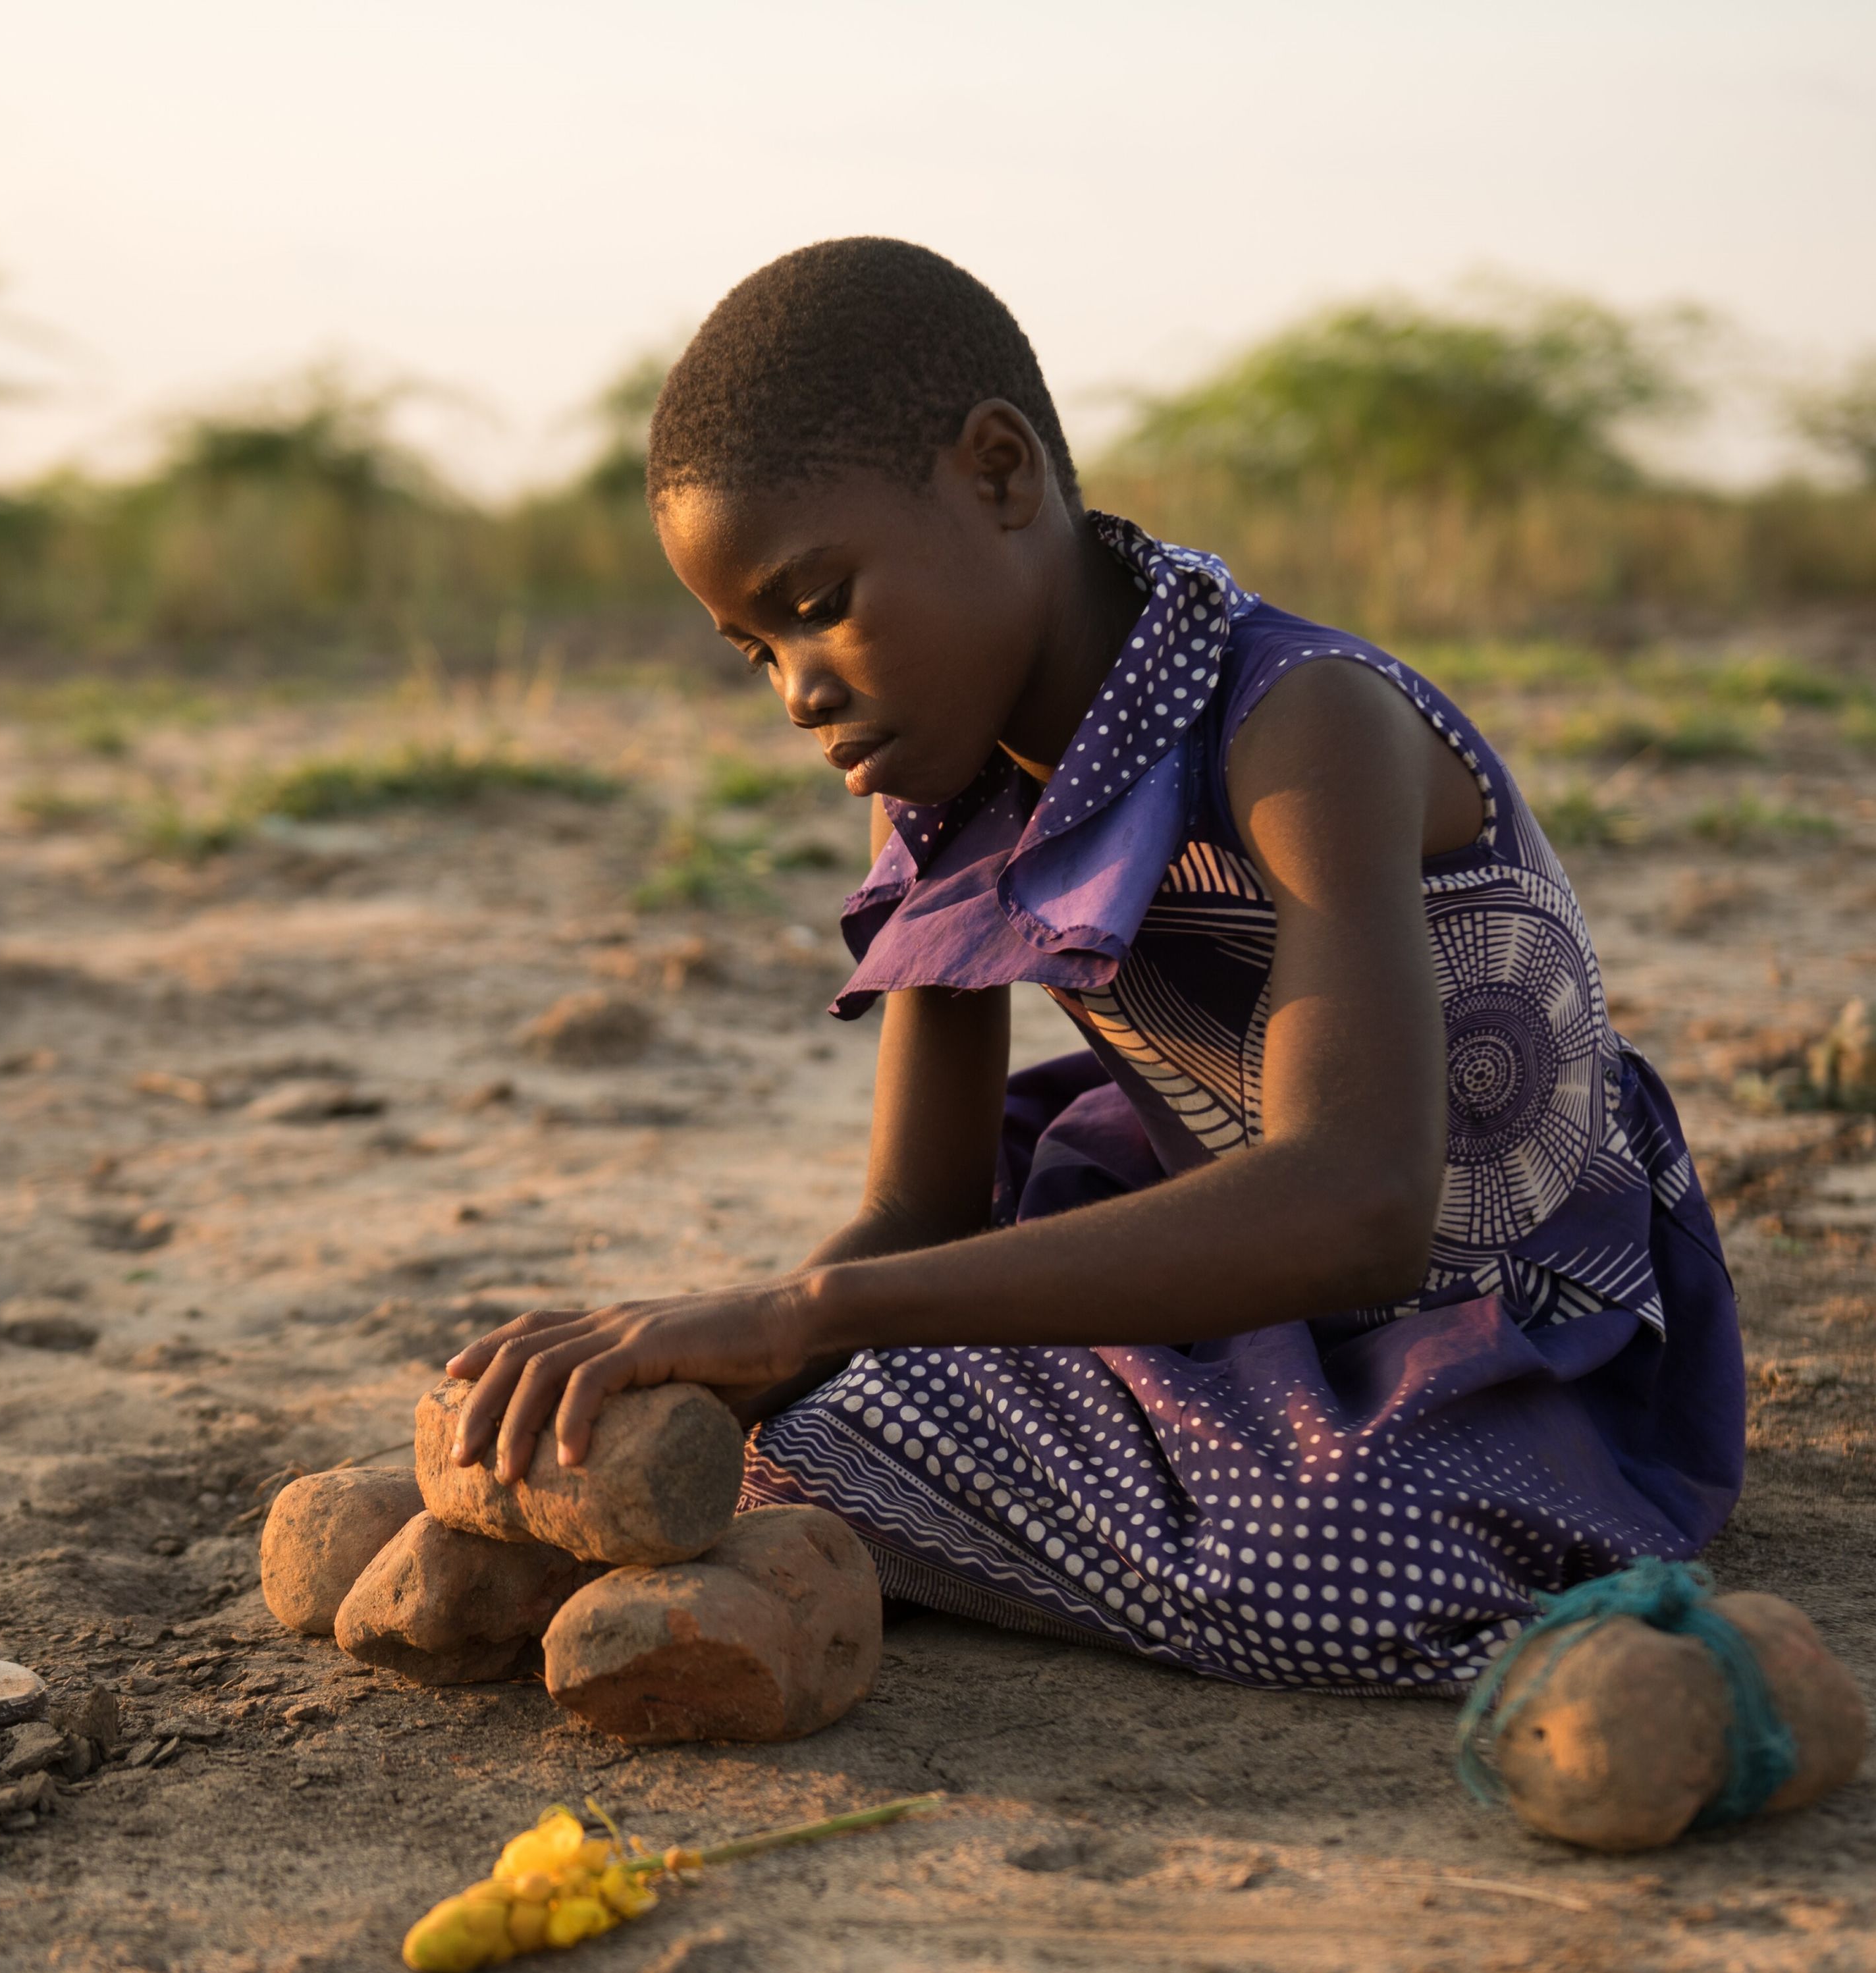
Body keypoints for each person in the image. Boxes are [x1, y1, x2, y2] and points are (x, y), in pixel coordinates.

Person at [444, 238, 1742, 1694]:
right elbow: (915, 1210)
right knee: (783, 1431)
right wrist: (710, 1369)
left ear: (999, 477)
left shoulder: (1300, 723)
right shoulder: (939, 785)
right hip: (1217, 1285)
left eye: (817, 601)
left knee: (1305, 1563)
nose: (801, 690)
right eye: (754, 652)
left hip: (1485, 1323)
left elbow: (1361, 1204)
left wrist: (804, 1319)